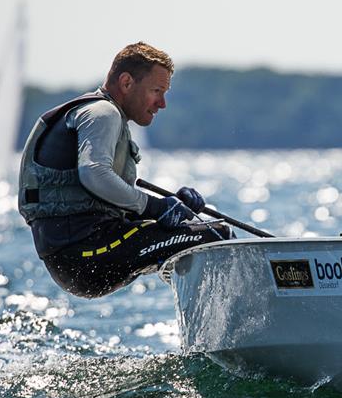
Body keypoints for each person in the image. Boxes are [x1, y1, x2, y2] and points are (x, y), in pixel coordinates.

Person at [17, 42, 233, 298]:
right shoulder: (102, 112)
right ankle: (236, 330)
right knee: (215, 237)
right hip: (84, 252)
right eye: (156, 91)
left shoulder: (103, 114)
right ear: (127, 82)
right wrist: (156, 208)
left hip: (77, 254)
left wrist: (174, 206)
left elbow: (104, 198)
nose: (162, 103)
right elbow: (94, 173)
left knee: (203, 233)